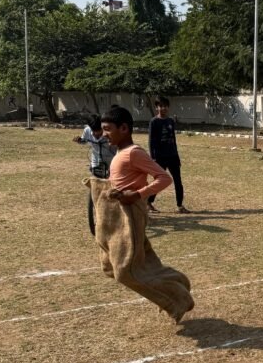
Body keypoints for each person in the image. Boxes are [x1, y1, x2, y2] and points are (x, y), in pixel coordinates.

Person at [90, 106, 194, 323]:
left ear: (124, 128)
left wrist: (137, 194)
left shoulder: (133, 153)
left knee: (125, 271)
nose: (104, 134)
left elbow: (164, 178)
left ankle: (177, 300)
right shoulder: (120, 152)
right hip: (117, 217)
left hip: (130, 216)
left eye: (108, 129)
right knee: (112, 266)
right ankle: (177, 281)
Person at [74, 115, 116, 234]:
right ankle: (98, 212)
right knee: (96, 186)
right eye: (94, 132)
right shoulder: (87, 130)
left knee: (112, 187)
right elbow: (84, 140)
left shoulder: (109, 131)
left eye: (99, 132)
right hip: (96, 162)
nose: (97, 135)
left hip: (111, 161)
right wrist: (79, 140)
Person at [148, 96, 190, 213]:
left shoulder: (170, 121)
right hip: (160, 157)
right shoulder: (154, 122)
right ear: (156, 108)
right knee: (159, 182)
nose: (163, 108)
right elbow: (151, 141)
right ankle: (148, 202)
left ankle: (180, 205)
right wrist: (153, 158)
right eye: (161, 106)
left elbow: (173, 139)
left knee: (178, 181)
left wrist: (177, 156)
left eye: (165, 106)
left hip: (172, 156)